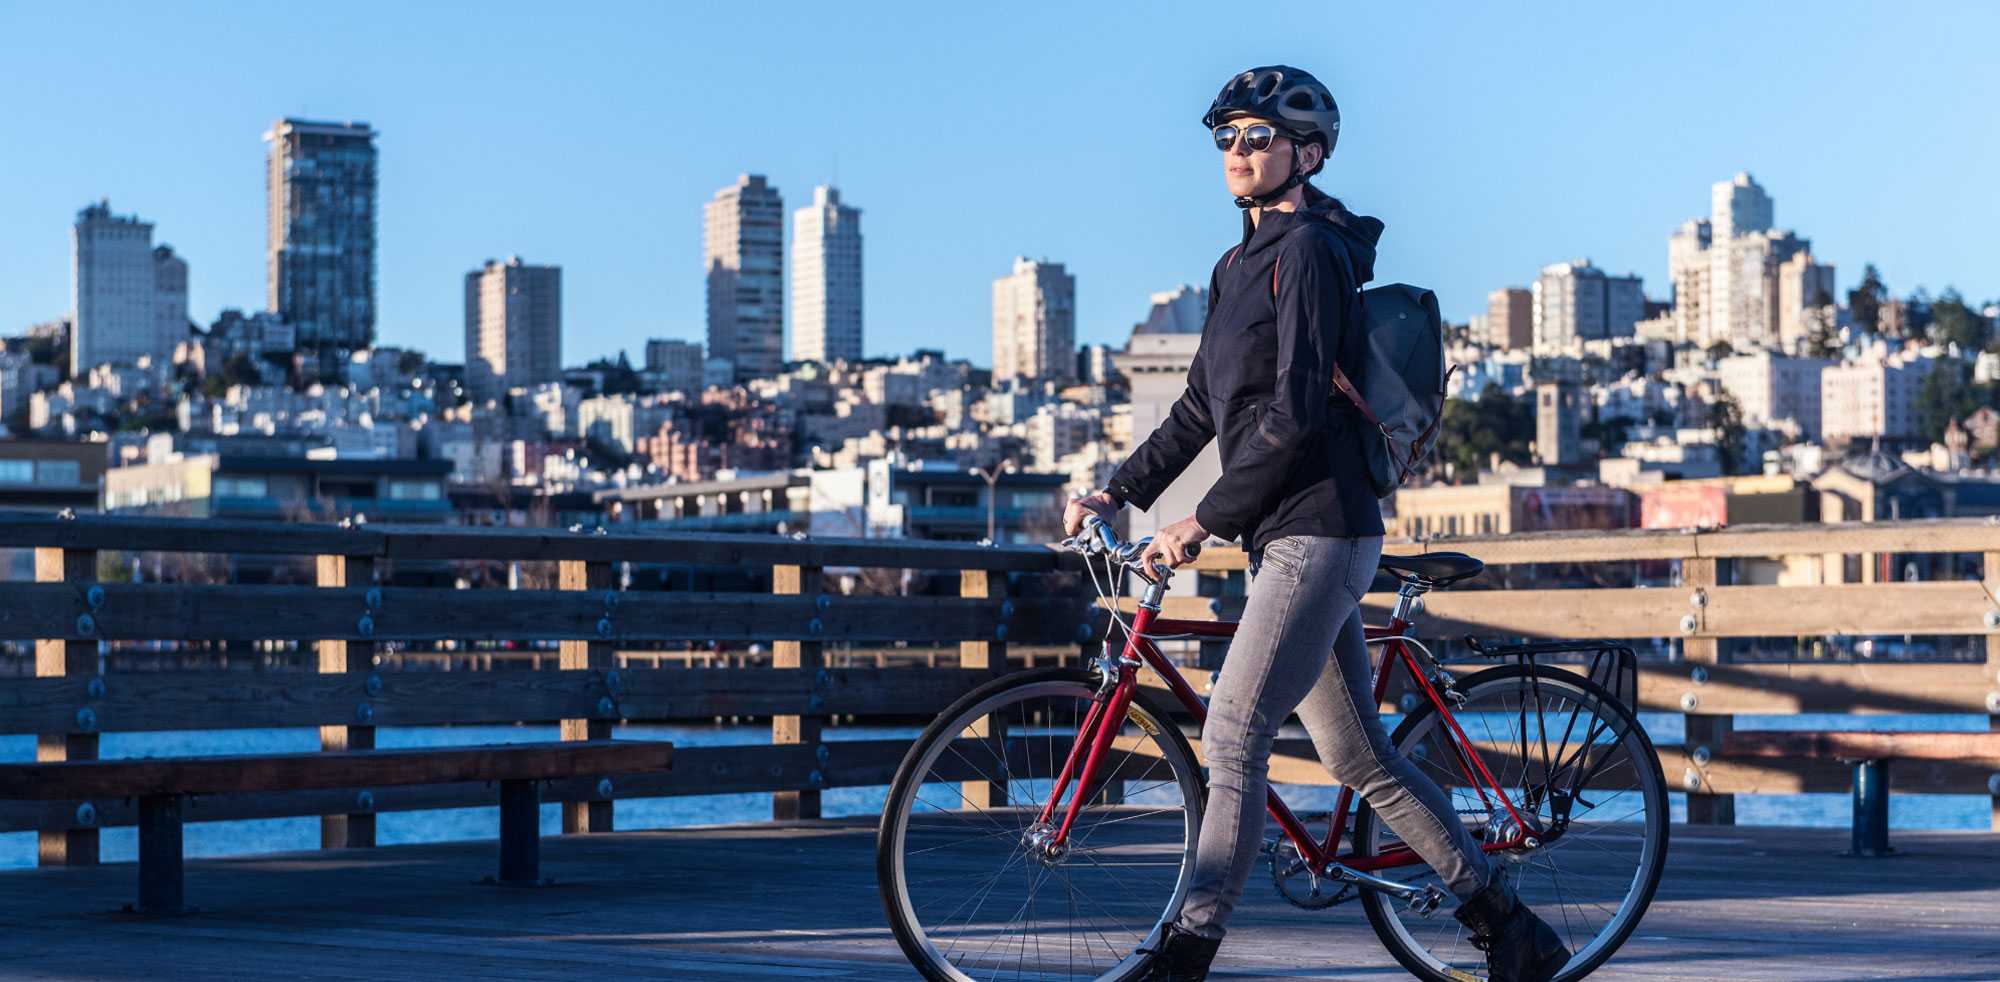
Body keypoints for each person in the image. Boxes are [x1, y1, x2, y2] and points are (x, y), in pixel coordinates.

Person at [1062, 65, 1571, 982]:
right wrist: (1118, 491)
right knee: (1357, 757)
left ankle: (1188, 949)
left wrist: (1199, 525)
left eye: (1258, 138)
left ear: (1309, 153)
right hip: (1287, 535)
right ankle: (1509, 924)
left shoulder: (1308, 252)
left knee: (1232, 734)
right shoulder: (1235, 264)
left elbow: (1294, 414)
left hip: (1321, 526)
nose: (1238, 154)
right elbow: (1195, 409)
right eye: (1227, 138)